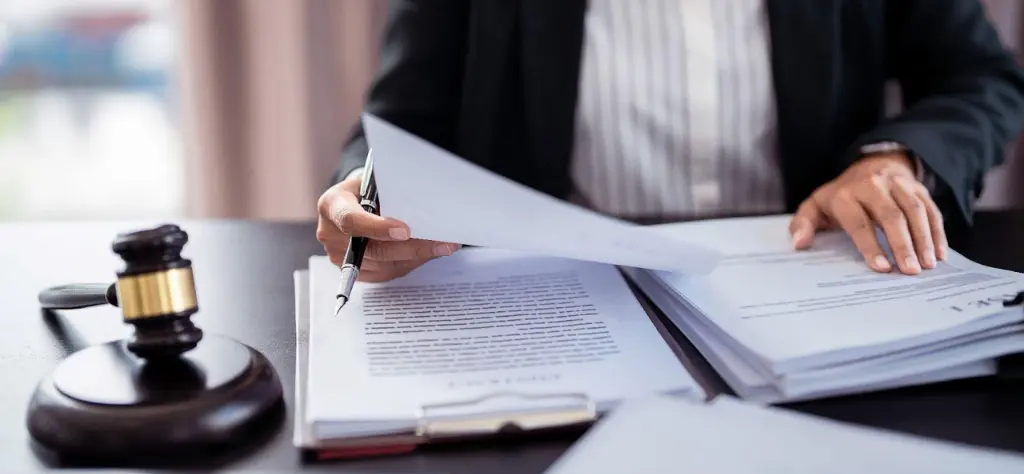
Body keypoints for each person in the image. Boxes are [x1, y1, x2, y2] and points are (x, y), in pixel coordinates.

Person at [316, 0, 1024, 283]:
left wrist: (892, 161)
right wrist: (370, 199)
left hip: (812, 281)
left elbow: (980, 77)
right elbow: (400, 124)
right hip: (557, 300)